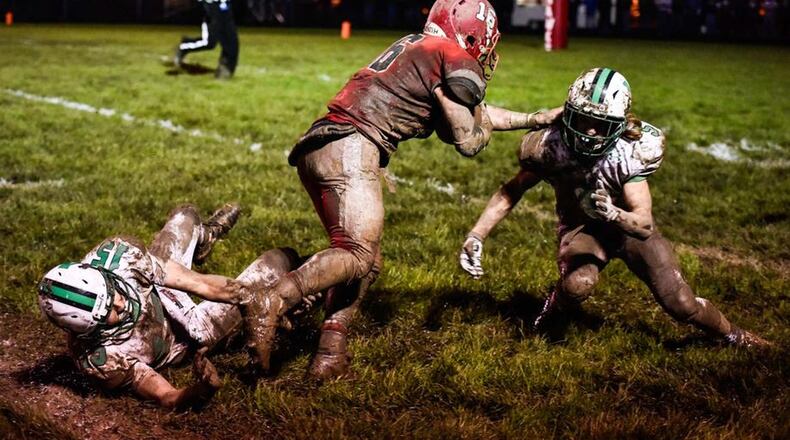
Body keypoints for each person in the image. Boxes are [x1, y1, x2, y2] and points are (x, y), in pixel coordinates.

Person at [242, 0, 563, 380]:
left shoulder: (421, 48)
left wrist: (536, 118)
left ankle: (330, 354)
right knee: (357, 254)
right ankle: (274, 299)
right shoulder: (450, 53)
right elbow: (467, 139)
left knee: (367, 261)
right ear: (472, 33)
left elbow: (476, 113)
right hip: (352, 145)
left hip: (322, 145)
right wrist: (479, 131)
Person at [459, 67, 770, 347]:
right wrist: (477, 233)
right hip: (582, 228)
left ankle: (734, 335)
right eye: (584, 118)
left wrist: (615, 213)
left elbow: (644, 223)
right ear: (568, 113)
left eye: (601, 124)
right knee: (579, 284)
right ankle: (552, 310)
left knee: (681, 303)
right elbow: (511, 191)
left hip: (628, 231)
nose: (590, 131)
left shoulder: (629, 152)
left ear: (619, 125)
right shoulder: (550, 146)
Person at [36, 204, 303, 409]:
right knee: (277, 261)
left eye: (112, 292)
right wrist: (201, 390)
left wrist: (249, 299)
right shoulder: (102, 361)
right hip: (190, 331)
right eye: (111, 313)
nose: (121, 302)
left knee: (185, 216)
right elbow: (167, 395)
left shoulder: (120, 258)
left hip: (162, 290)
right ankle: (301, 297)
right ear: (89, 332)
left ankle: (205, 238)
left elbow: (201, 285)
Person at [174, 0, 239, 79]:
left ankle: (226, 67)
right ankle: (184, 46)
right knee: (209, 43)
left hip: (225, 8)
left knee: (231, 40)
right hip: (212, 8)